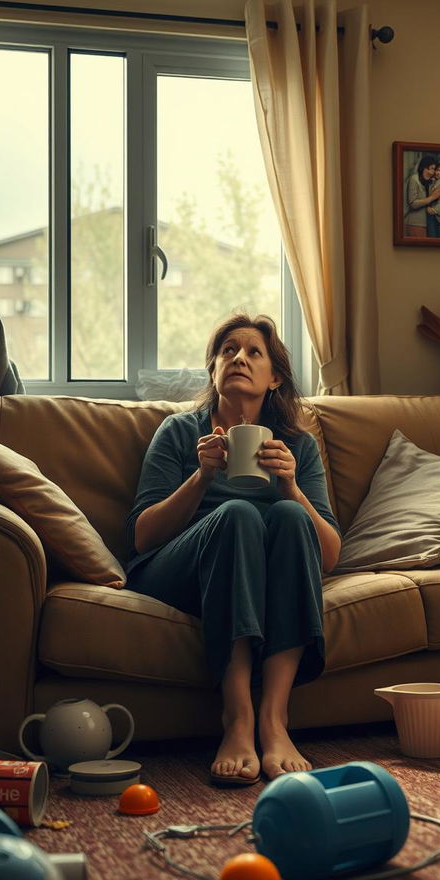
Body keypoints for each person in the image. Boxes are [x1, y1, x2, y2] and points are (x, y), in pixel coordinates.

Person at [125, 313, 341, 785]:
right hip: (180, 569)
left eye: (252, 352)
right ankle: (238, 717)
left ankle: (274, 719)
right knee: (239, 515)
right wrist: (201, 476)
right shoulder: (181, 433)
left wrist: (292, 488)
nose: (238, 357)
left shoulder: (297, 447)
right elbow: (143, 538)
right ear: (213, 371)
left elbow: (327, 556)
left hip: (261, 573)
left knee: (287, 515)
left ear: (275, 377)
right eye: (228, 351)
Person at [403, 154, 440, 237]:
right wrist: (432, 197)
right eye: (432, 169)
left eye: (434, 169)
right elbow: (413, 204)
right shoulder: (414, 179)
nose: (433, 172)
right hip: (415, 224)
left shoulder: (430, 182)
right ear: (424, 168)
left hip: (428, 225)